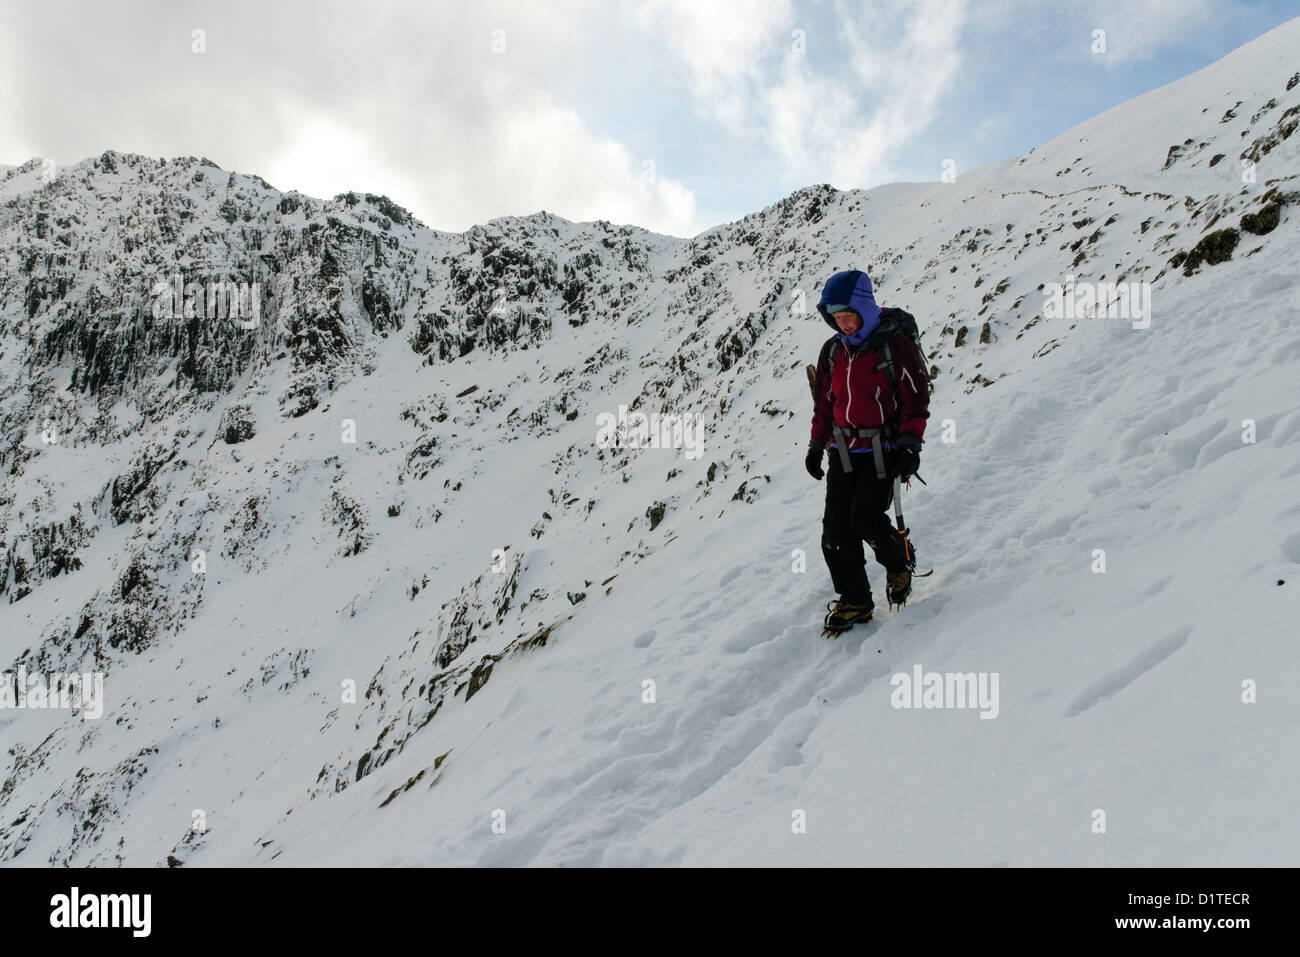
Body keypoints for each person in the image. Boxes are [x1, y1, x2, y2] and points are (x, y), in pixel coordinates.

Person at [805, 269, 930, 634]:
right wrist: (816, 444)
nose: (842, 324)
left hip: (884, 448)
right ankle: (855, 600)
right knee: (834, 532)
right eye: (835, 318)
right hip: (843, 450)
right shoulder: (832, 352)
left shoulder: (894, 345)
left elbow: (915, 400)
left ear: (864, 308)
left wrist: (910, 445)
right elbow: (824, 405)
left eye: (848, 316)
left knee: (864, 518)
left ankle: (898, 562)